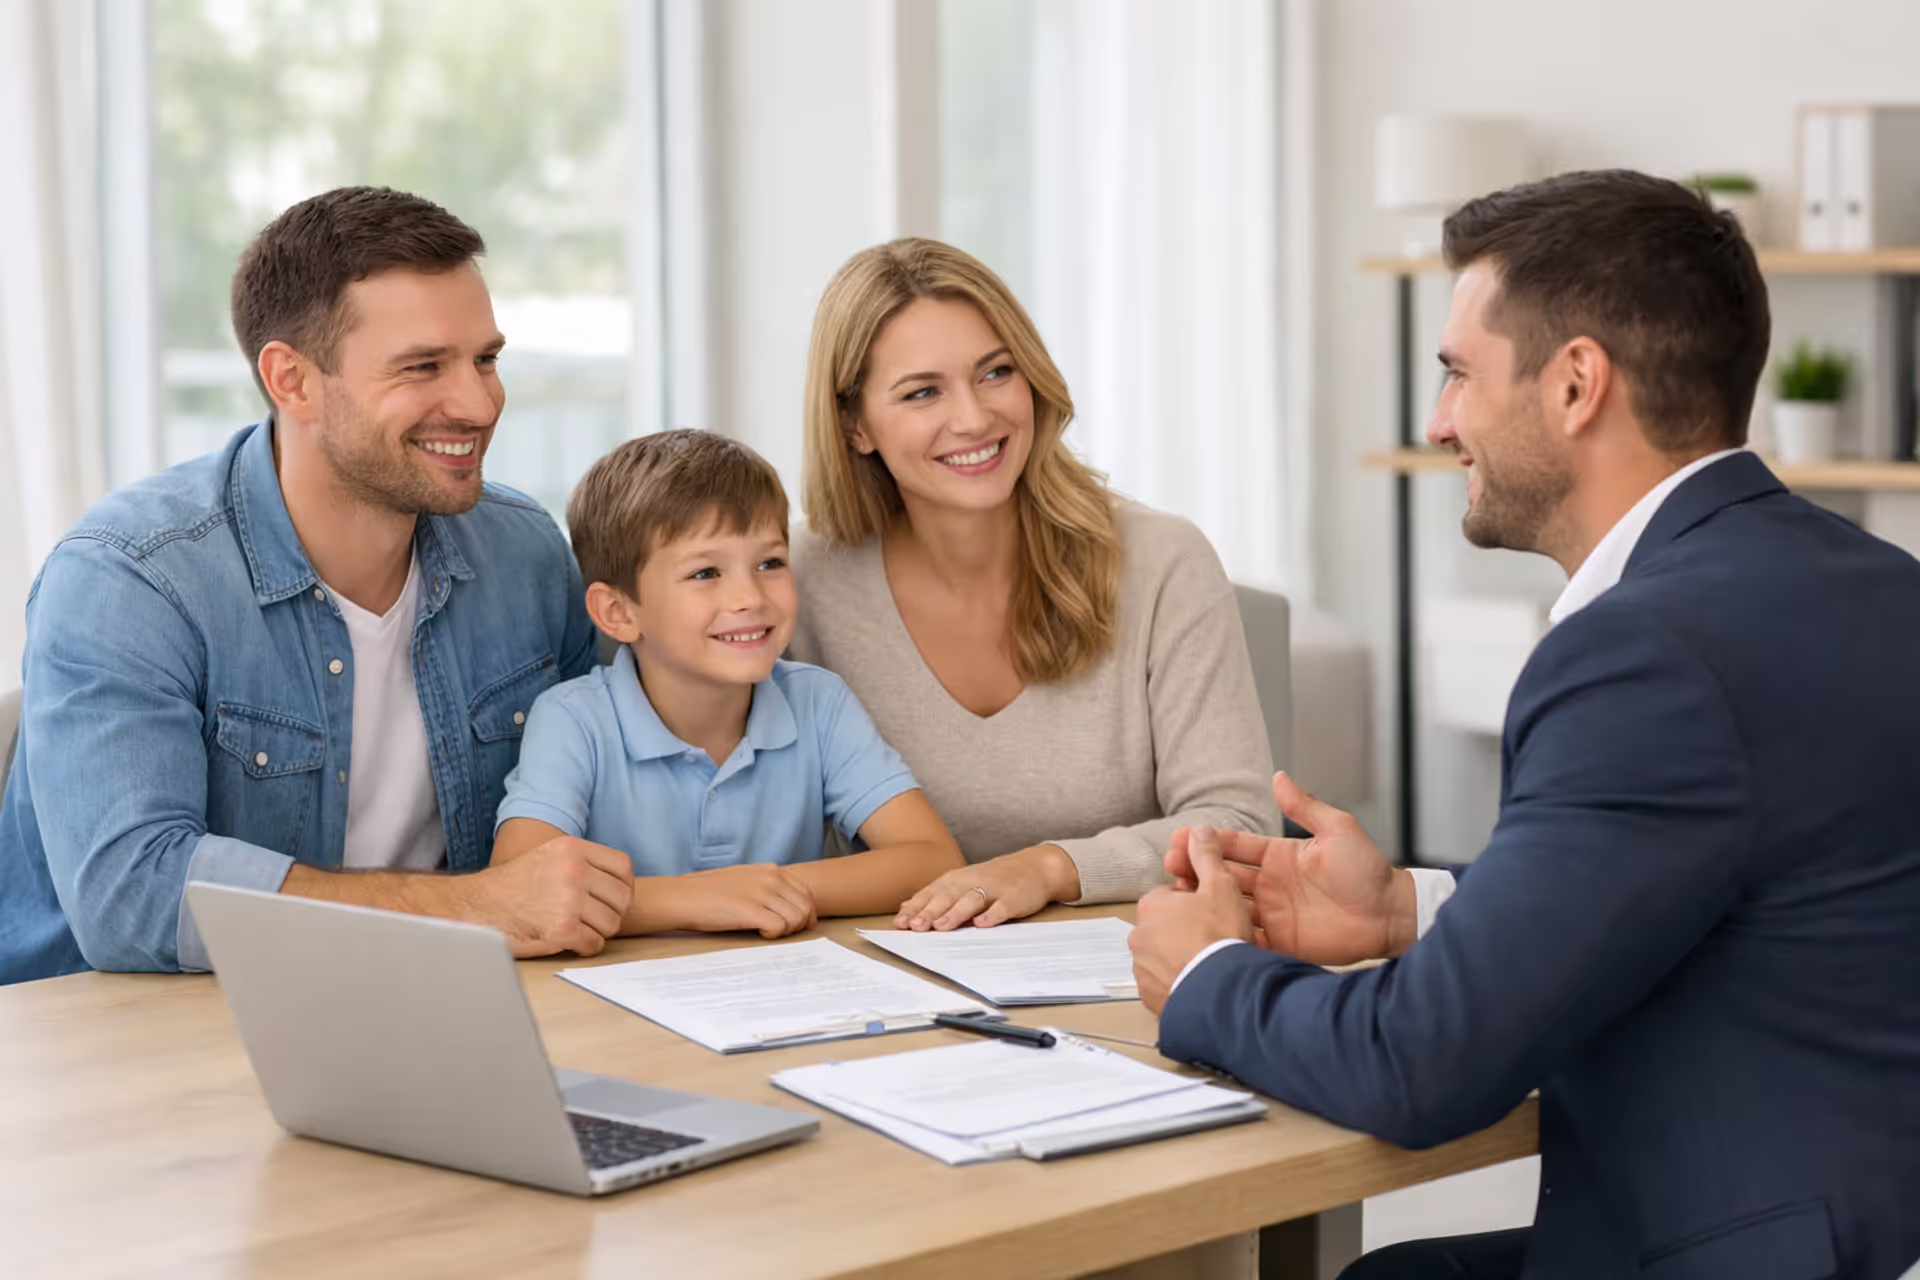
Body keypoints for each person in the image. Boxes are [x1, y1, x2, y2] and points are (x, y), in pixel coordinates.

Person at [1130, 171, 1920, 1278]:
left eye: (1458, 373)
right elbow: (1719, 877)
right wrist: (1414, 905)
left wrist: (1206, 966)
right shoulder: (1877, 582)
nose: (1438, 419)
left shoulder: (1641, 654)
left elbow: (1423, 1067)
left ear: (1575, 384)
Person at [0, 186, 635, 984]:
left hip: (441, 1005)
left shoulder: (524, 553)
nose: (479, 403)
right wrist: (480, 907)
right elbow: (133, 897)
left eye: (486, 359)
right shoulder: (130, 577)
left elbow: (621, 783)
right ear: (292, 381)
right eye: (423, 366)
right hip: (128, 1043)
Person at [788, 238, 1280, 932]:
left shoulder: (1163, 561)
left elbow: (1238, 825)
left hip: (1133, 975)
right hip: (887, 976)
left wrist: (1049, 869)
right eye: (923, 392)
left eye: (995, 373)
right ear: (854, 424)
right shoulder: (800, 574)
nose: (975, 418)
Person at [490, 430, 963, 936]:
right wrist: (698, 899)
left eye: (769, 563)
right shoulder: (571, 719)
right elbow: (521, 893)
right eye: (705, 573)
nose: (750, 596)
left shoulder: (818, 702)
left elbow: (933, 860)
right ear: (619, 612)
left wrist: (763, 891)